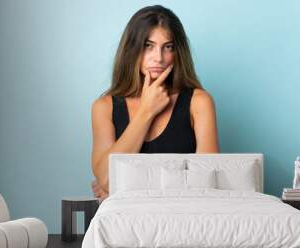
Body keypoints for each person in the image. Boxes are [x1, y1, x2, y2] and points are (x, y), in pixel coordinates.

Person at [91, 5, 219, 201]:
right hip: (127, 222)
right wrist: (147, 111)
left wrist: (125, 188)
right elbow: (107, 179)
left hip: (186, 219)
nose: (158, 58)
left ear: (178, 53)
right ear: (131, 49)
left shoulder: (199, 102)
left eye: (168, 47)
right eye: (148, 46)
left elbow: (207, 185)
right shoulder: (104, 107)